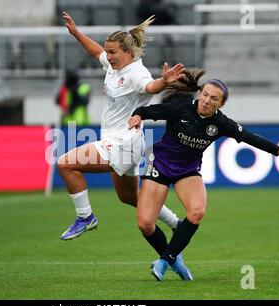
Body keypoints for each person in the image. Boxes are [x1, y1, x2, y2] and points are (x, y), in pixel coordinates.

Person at [128, 70, 279, 281]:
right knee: (145, 223)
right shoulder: (180, 107)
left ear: (220, 105)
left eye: (213, 98)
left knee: (196, 212)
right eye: (205, 94)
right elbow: (148, 110)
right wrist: (138, 116)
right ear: (200, 94)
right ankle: (173, 259)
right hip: (159, 164)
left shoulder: (221, 123)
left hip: (187, 171)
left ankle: (165, 260)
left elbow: (251, 138)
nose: (206, 100)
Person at [57, 11, 186, 244]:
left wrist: (164, 82)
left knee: (65, 164)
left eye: (113, 52)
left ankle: (85, 217)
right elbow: (96, 51)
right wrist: (76, 32)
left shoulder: (136, 73)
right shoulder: (114, 65)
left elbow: (150, 87)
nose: (108, 55)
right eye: (108, 51)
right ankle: (177, 224)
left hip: (122, 142)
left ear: (128, 52)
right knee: (130, 198)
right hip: (124, 143)